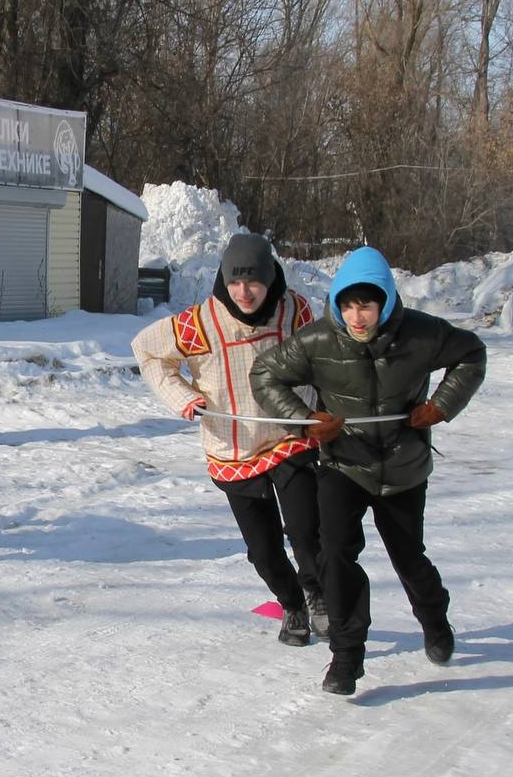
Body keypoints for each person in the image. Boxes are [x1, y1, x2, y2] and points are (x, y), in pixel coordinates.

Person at [250, 246, 487, 695]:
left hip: (403, 466)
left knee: (408, 556)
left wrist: (440, 406)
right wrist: (306, 419)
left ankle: (435, 619)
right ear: (337, 303)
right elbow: (266, 374)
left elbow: (472, 354)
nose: (357, 316)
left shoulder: (421, 334)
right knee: (336, 556)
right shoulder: (318, 340)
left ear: (386, 302)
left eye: (367, 304)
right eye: (348, 304)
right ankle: (345, 657)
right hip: (344, 464)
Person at [131, 233, 327, 646]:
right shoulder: (199, 323)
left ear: (271, 277)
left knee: (307, 531)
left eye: (253, 281)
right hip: (233, 449)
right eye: (235, 282)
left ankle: (318, 594)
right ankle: (292, 604)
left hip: (290, 437)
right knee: (264, 551)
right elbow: (146, 351)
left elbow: (320, 356)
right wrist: (183, 397)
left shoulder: (295, 310)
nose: (244, 292)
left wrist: (322, 406)